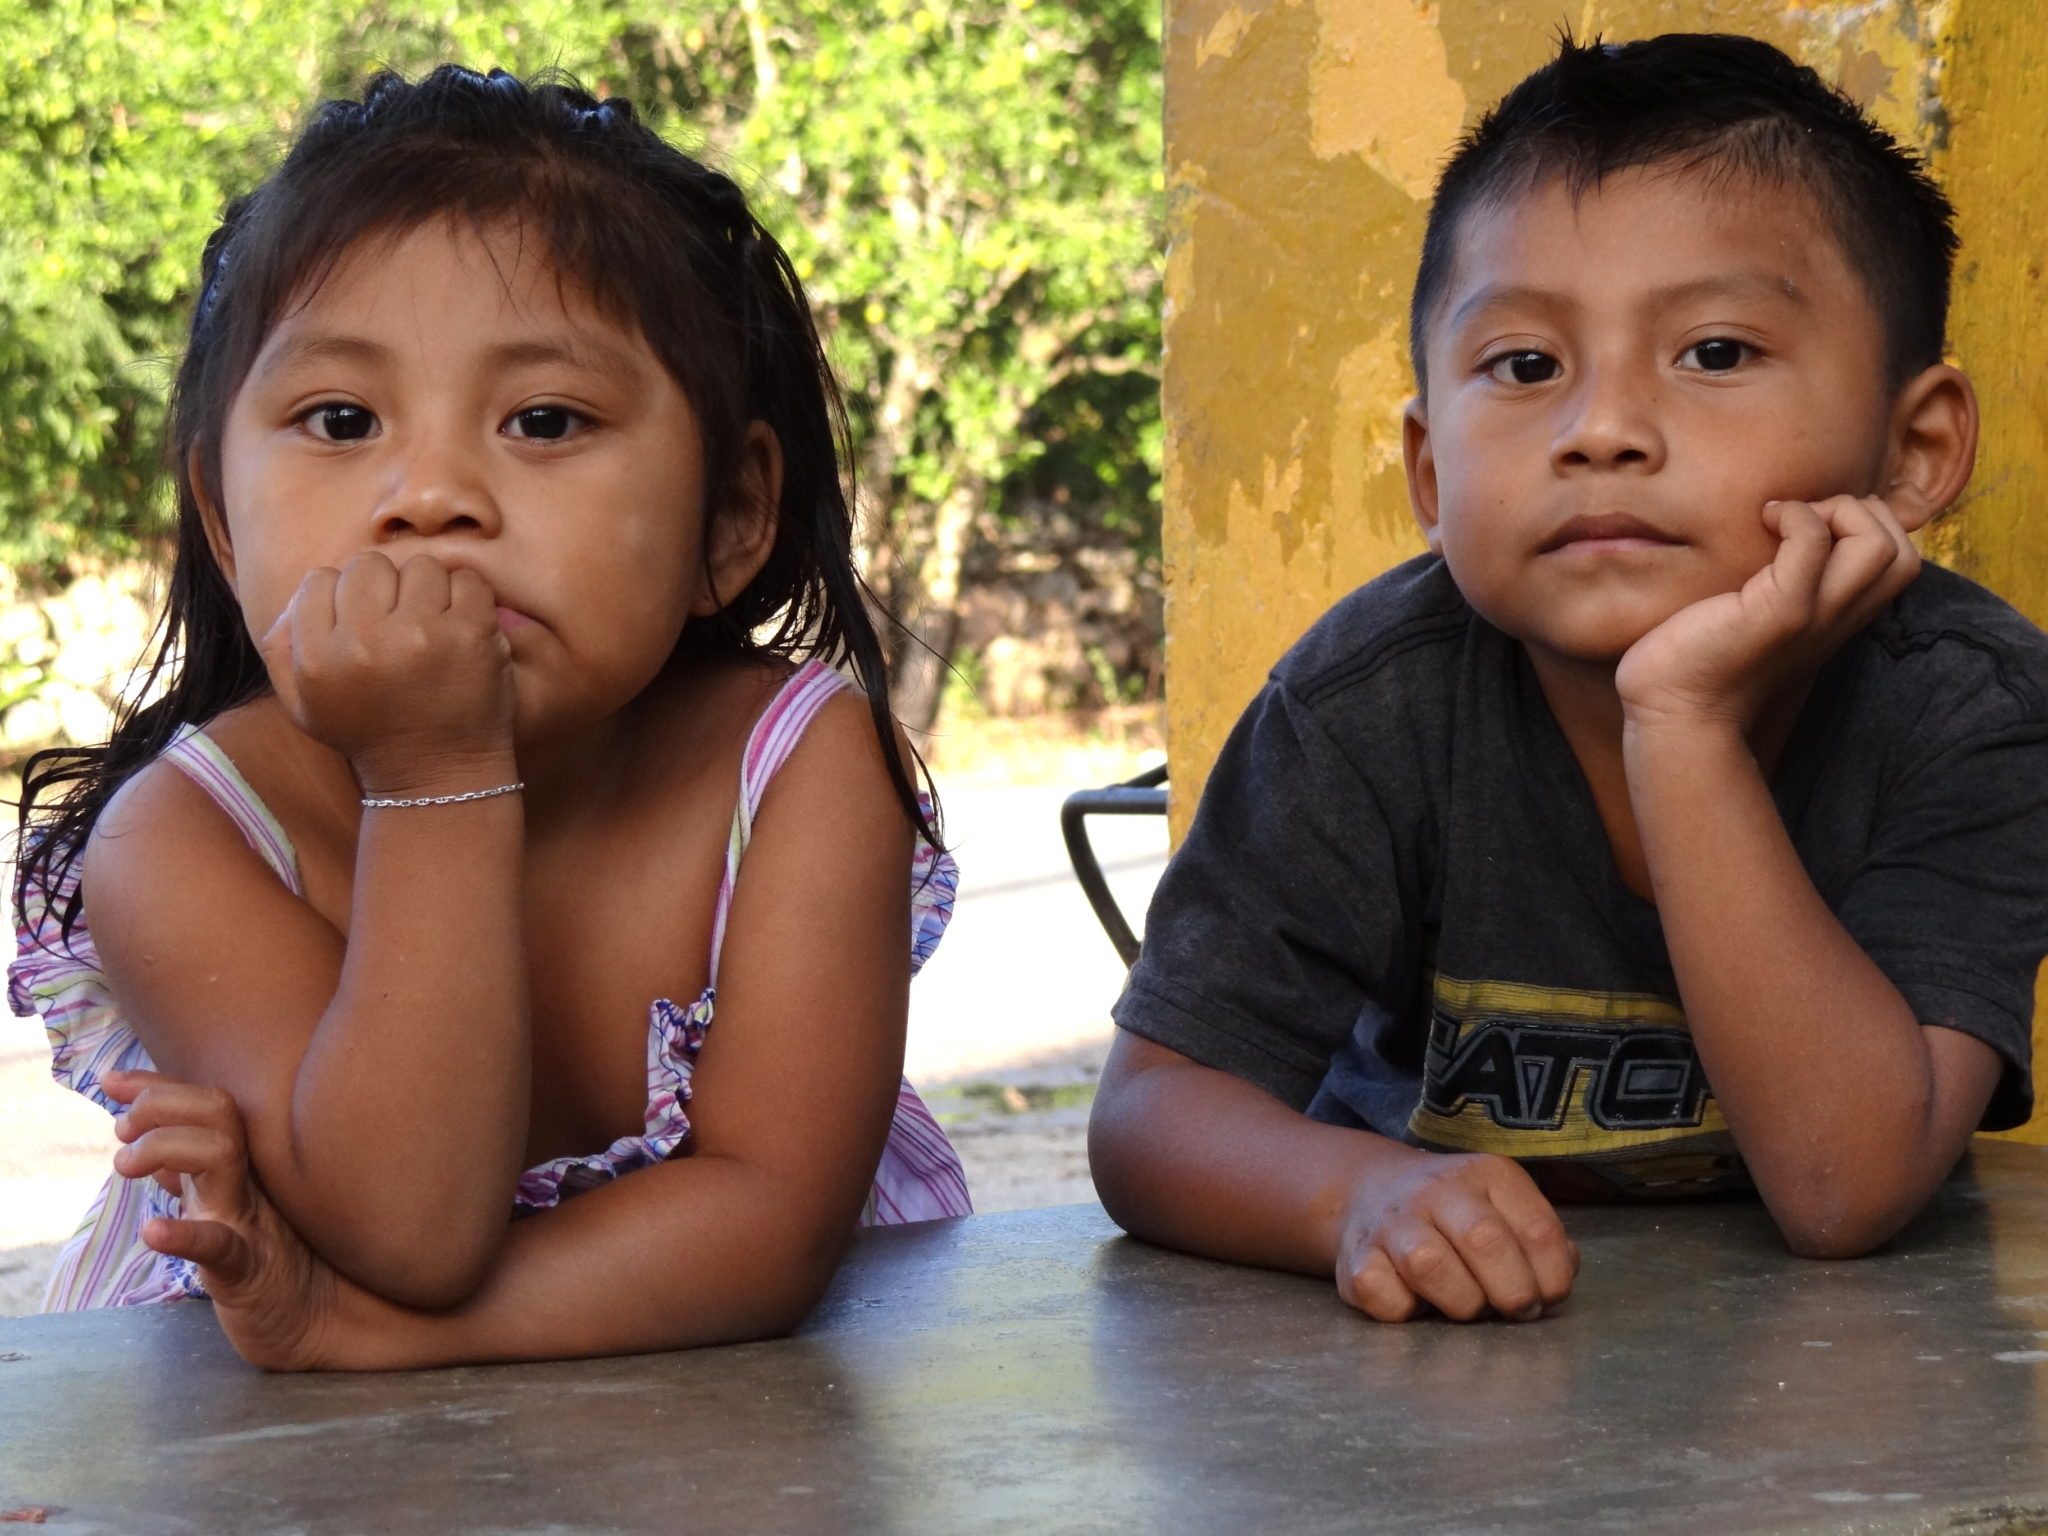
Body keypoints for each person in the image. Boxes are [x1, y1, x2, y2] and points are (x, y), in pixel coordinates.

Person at [9, 65, 970, 1369]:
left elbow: (767, 1220)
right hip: (252, 1457)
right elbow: (409, 1224)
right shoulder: (179, 841)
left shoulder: (795, 767)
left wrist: (359, 1334)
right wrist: (433, 780)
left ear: (732, 516)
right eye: (341, 420)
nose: (429, 496)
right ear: (226, 528)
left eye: (544, 418)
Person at [1088, 32, 2048, 1324]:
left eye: (1713, 352)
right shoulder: (1373, 704)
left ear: (1914, 449)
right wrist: (1351, 1196)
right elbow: (1148, 1112)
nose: (1600, 429)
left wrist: (1683, 723)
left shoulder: (1966, 709)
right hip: (1429, 1389)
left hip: (1820, 1408)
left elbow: (1844, 1186)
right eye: (1526, 366)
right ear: (1430, 475)